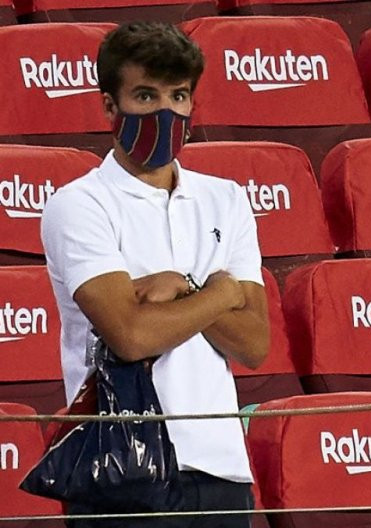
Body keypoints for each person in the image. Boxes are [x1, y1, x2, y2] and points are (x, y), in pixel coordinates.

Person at [40, 22, 269, 528]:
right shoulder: (78, 205)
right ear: (109, 106)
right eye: (145, 95)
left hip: (220, 467)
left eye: (178, 96)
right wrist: (220, 292)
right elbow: (131, 335)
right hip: (119, 468)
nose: (165, 111)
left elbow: (254, 344)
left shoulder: (226, 199)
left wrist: (181, 288)